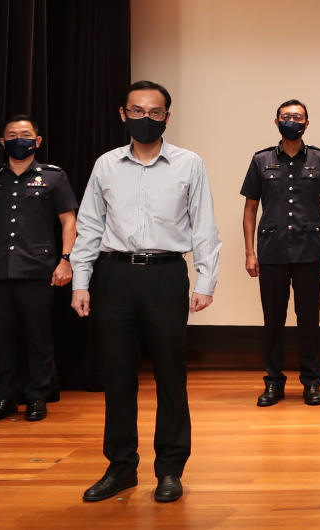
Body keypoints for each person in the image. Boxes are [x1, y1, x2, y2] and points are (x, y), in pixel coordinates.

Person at [70, 80, 222, 503]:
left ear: (167, 118)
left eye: (155, 112)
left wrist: (205, 281)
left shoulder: (189, 164)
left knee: (171, 377)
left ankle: (170, 468)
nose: (145, 118)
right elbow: (89, 226)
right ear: (123, 115)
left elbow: (204, 226)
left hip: (165, 276)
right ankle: (120, 468)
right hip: (114, 277)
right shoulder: (105, 165)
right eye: (137, 111)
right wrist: (80, 282)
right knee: (117, 378)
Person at [0, 115, 78, 423]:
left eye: (25, 134)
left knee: (39, 337)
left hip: (37, 269)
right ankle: (4, 397)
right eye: (11, 134)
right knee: (0, 338)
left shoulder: (53, 177)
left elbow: (68, 220)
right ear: (2, 142)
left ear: (37, 141)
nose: (18, 138)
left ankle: (37, 396)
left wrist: (66, 259)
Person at [240, 99, 320, 407]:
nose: (292, 121)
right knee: (273, 321)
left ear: (307, 123)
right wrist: (249, 252)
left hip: (311, 254)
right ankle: (273, 383)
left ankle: (312, 383)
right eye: (286, 116)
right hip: (271, 253)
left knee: (309, 321)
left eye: (297, 117)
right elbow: (250, 209)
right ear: (276, 121)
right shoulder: (261, 160)